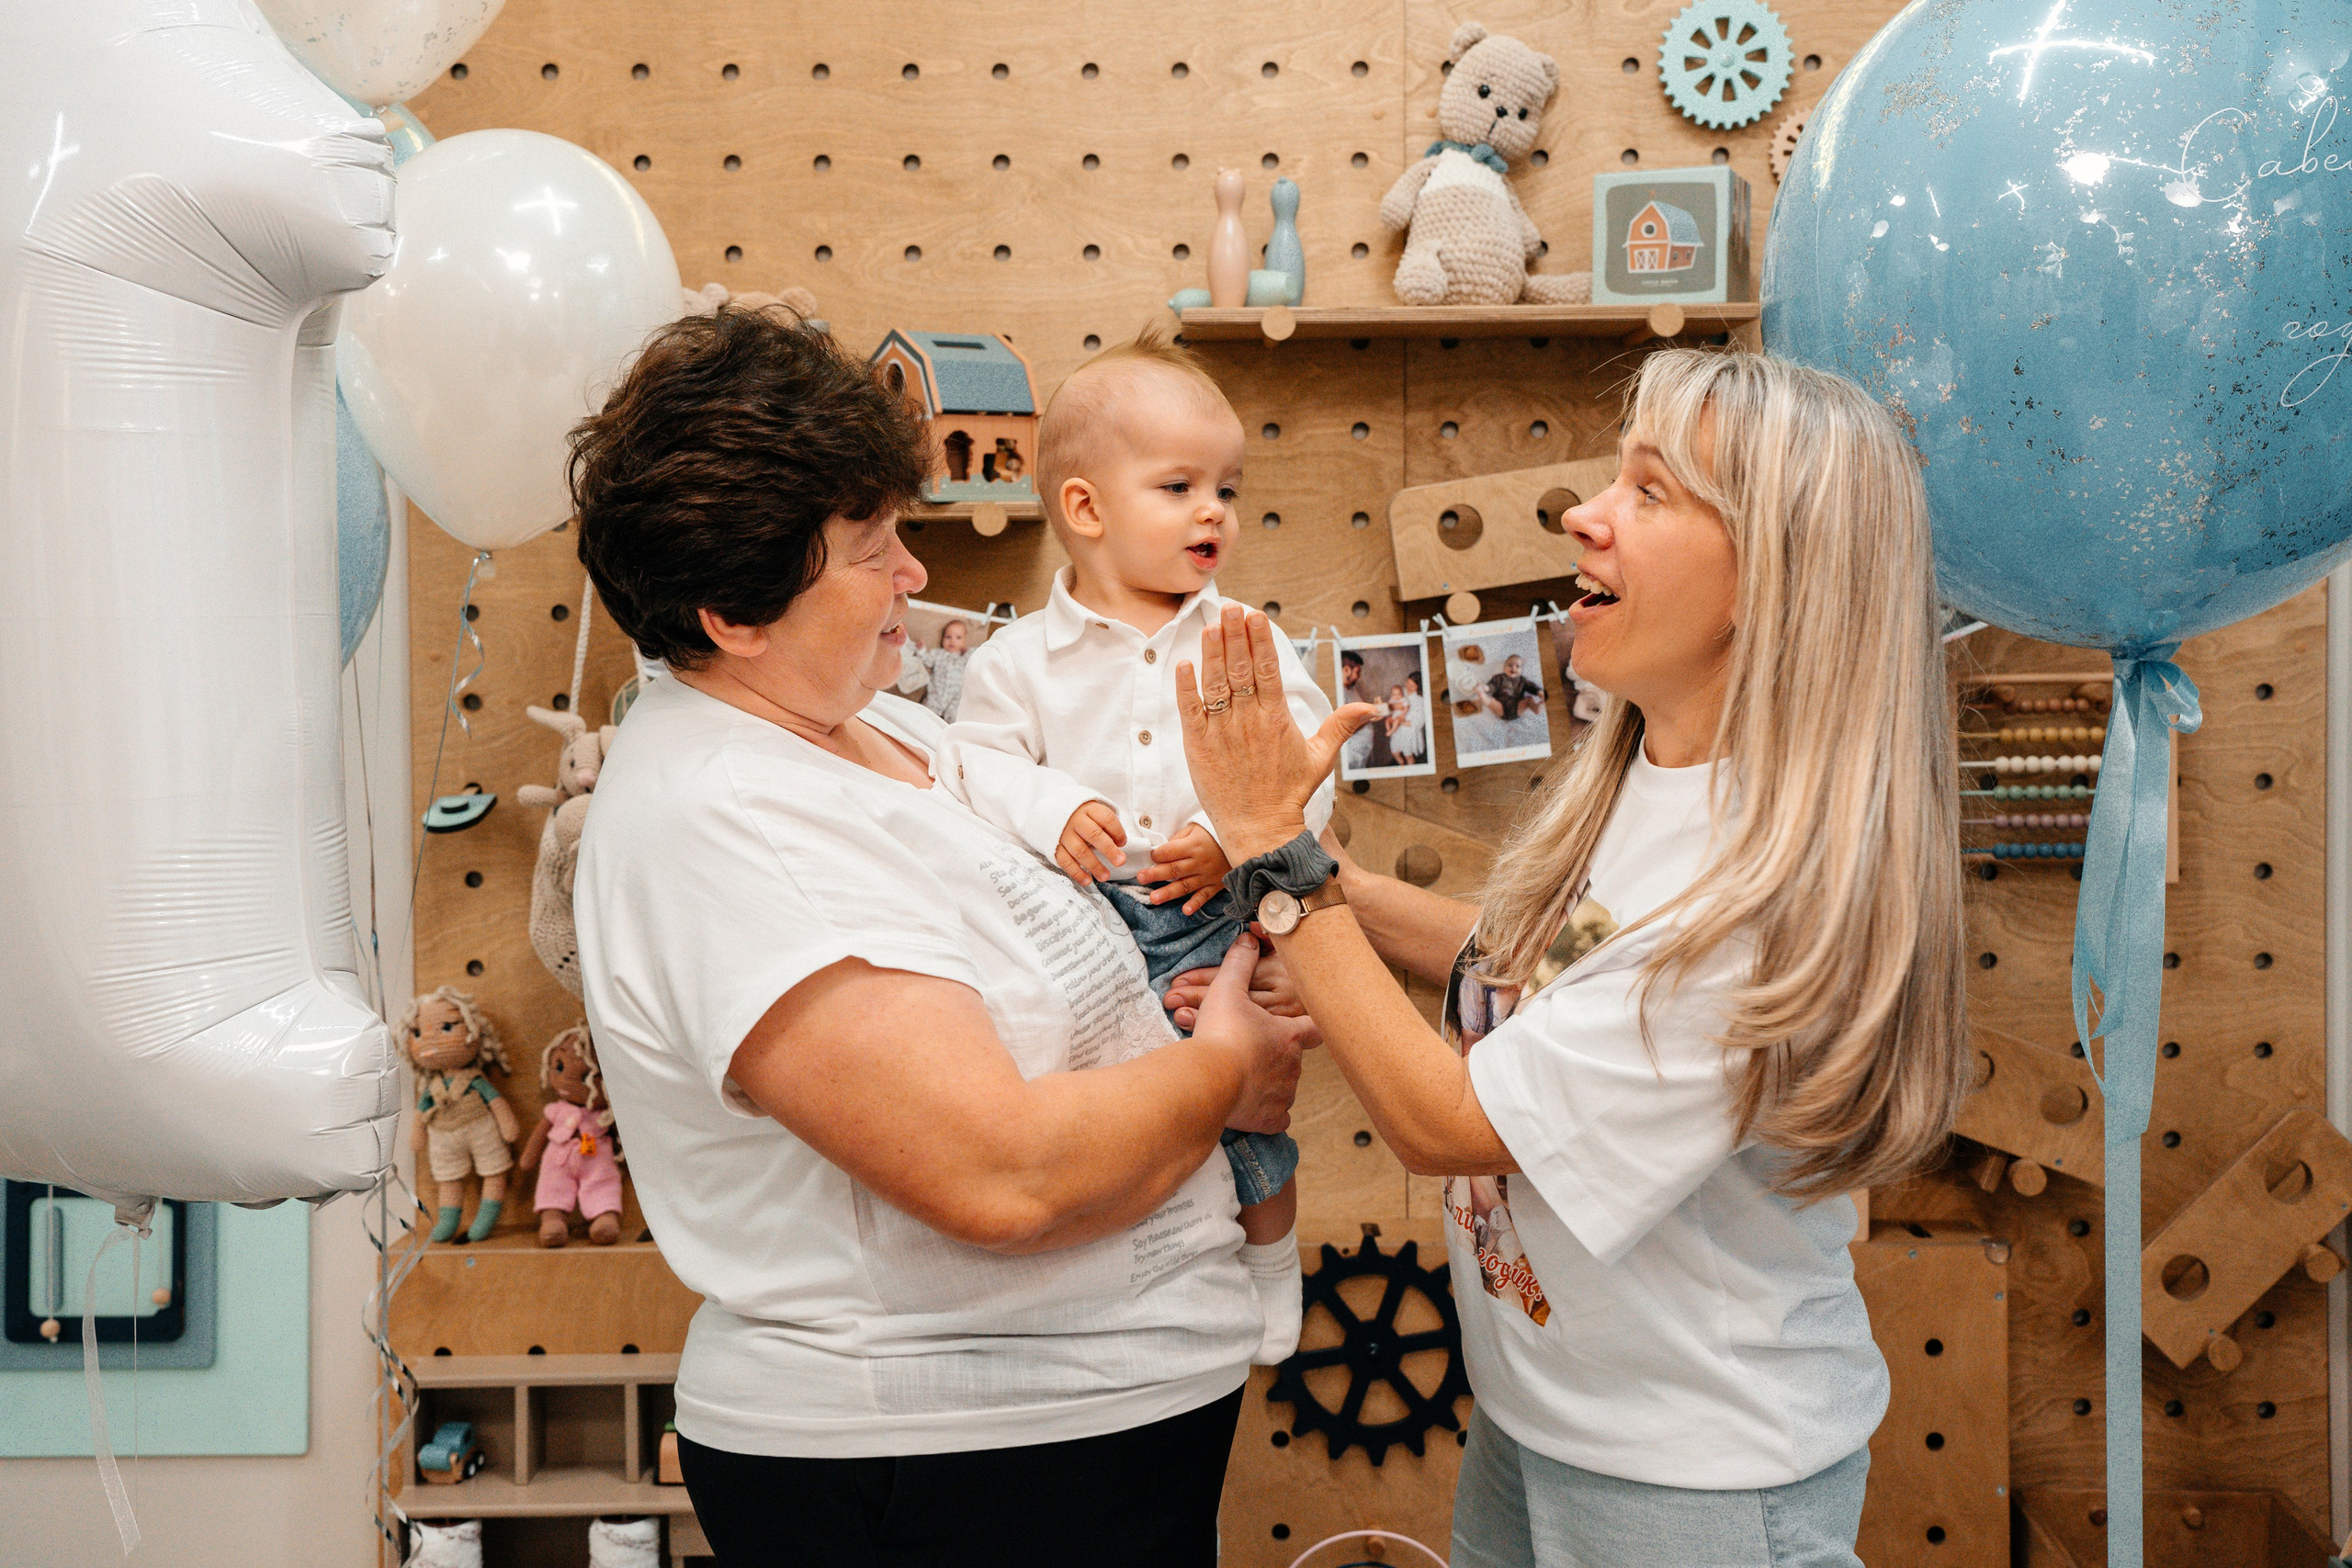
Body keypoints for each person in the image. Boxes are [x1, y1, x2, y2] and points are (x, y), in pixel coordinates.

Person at [1166, 349, 1969, 1568]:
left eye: (1649, 491)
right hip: (1551, 1415)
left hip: (1694, 1477)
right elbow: (1550, 969)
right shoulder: (1660, 780)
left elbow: (1451, 1119)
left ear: (1776, 574)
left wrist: (1282, 859)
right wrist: (1346, 897)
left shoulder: (1757, 897)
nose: (1583, 513)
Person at [565, 305, 1311, 1566]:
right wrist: (1229, 1074)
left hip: (1072, 1428)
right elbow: (1000, 1172)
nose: (916, 575)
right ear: (735, 612)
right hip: (947, 1469)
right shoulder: (732, 822)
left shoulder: (875, 727)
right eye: (873, 549)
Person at [939, 329, 1330, 1363]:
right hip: (1086, 919)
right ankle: (1110, 1259)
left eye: (1227, 488)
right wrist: (1051, 806)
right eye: (1180, 486)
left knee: (1247, 1104)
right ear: (1085, 508)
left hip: (1211, 915)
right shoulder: (1019, 661)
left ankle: (1269, 1257)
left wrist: (1224, 837)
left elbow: (1300, 771)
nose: (1215, 511)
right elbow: (969, 768)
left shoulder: (1244, 637)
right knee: (1101, 1101)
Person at [912, 616, 972, 721]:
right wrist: (921, 650)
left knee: (956, 717)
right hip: (936, 695)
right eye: (948, 637)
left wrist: (968, 651)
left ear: (965, 640)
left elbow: (978, 657)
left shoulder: (964, 657)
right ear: (942, 638)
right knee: (924, 714)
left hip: (954, 698)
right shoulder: (938, 653)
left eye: (958, 638)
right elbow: (927, 660)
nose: (952, 641)